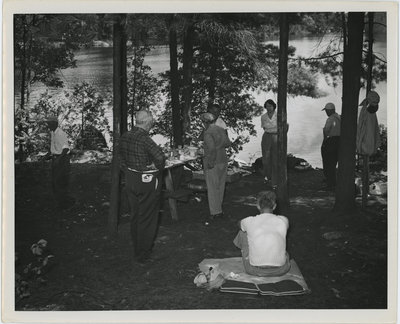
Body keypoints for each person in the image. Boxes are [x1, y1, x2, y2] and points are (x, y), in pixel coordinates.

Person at [119, 110, 166, 264]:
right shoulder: (145, 139)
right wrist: (154, 166)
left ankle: (137, 247)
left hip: (130, 179)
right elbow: (160, 157)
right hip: (145, 180)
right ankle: (143, 254)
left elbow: (120, 158)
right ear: (146, 122)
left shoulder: (125, 136)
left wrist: (129, 168)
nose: (152, 123)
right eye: (151, 121)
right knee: (148, 217)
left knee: (135, 214)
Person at [233, 190, 290, 277]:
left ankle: (249, 256)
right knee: (282, 247)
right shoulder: (284, 220)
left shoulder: (250, 221)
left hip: (253, 270)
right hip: (281, 270)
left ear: (258, 206)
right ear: (274, 206)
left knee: (242, 232)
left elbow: (239, 223)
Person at [201, 112, 231, 222]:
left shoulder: (208, 132)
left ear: (204, 122)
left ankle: (215, 212)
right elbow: (228, 143)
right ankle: (219, 209)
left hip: (214, 161)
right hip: (223, 159)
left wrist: (210, 161)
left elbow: (212, 149)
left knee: (212, 187)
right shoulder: (220, 129)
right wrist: (220, 145)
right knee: (220, 185)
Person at [45, 115, 74, 210]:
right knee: (55, 182)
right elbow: (55, 147)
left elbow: (65, 149)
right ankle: (60, 202)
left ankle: (65, 204)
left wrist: (58, 160)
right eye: (47, 123)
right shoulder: (53, 132)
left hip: (62, 160)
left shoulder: (61, 133)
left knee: (60, 181)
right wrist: (48, 155)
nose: (48, 125)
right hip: (56, 159)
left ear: (55, 123)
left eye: (49, 123)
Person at [321, 102, 341, 190]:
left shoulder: (330, 119)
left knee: (328, 162)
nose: (326, 113)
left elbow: (326, 130)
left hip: (331, 141)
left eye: (326, 111)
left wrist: (324, 140)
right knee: (333, 162)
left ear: (330, 111)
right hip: (339, 141)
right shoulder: (339, 117)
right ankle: (332, 181)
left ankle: (330, 183)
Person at [260, 99, 278, 185]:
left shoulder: (278, 115)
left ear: (274, 106)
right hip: (266, 136)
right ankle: (267, 177)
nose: (268, 108)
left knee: (275, 158)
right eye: (267, 106)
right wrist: (270, 130)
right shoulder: (263, 116)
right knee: (266, 158)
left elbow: (286, 126)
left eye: (270, 106)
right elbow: (264, 128)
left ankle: (275, 179)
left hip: (276, 136)